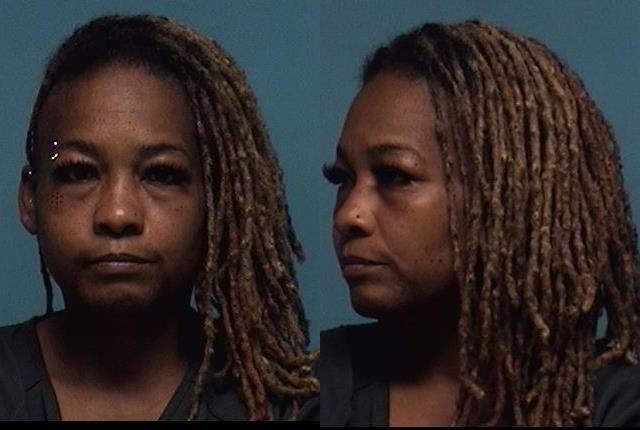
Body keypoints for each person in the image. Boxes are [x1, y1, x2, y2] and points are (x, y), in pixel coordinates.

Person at [320, 20, 640, 426]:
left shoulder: (616, 405)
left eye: (395, 177)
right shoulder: (312, 391)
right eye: (343, 179)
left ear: (505, 195)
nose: (350, 214)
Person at [0, 14, 318, 421]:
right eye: (79, 172)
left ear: (216, 203)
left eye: (161, 174)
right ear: (31, 199)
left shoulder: (286, 410)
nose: (117, 214)